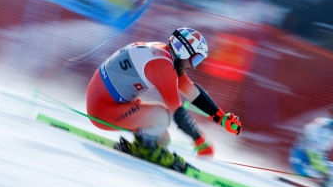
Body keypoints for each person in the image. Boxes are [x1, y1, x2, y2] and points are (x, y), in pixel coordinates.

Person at [86, 27, 242, 173]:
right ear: (183, 52)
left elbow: (193, 92)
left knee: (163, 138)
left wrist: (221, 117)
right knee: (162, 115)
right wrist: (200, 141)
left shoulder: (164, 54)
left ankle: (141, 147)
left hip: (107, 104)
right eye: (195, 60)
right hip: (103, 110)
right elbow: (177, 113)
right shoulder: (162, 65)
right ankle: (145, 149)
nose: (193, 67)